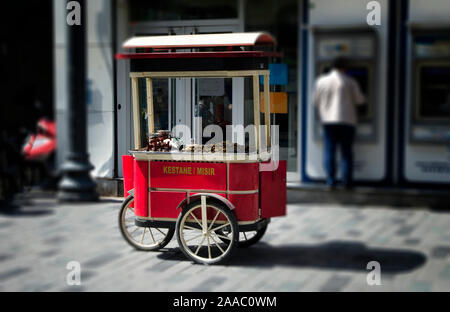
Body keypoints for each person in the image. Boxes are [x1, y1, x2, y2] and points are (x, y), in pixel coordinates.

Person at [313, 57, 366, 189]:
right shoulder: (350, 82)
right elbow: (360, 100)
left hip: (329, 121)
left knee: (329, 150)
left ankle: (331, 181)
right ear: (344, 68)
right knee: (346, 152)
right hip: (347, 120)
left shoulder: (321, 81)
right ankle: (346, 182)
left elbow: (315, 101)